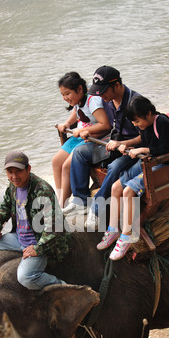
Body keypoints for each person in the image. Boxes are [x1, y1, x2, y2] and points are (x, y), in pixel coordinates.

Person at [97, 95, 169, 261]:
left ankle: (127, 235)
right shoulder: (146, 124)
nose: (136, 125)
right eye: (134, 123)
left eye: (137, 122)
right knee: (115, 188)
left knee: (128, 192)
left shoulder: (162, 123)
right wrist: (128, 145)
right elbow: (143, 139)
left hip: (162, 163)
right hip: (147, 161)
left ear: (148, 114)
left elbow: (166, 150)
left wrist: (143, 150)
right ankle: (113, 229)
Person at [63, 66, 141, 229]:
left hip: (133, 148)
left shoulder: (135, 103)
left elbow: (146, 137)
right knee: (79, 152)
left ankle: (97, 208)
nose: (101, 95)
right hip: (115, 143)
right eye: (98, 91)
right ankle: (80, 200)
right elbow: (106, 126)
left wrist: (123, 144)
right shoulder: (110, 101)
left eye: (104, 91)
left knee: (115, 166)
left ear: (117, 86)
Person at [0, 150, 71, 290]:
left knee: (26, 277)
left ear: (28, 169)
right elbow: (5, 206)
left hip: (38, 242)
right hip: (19, 237)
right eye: (10, 172)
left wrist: (38, 248)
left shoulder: (42, 190)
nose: (14, 176)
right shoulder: (13, 186)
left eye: (18, 171)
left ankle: (63, 287)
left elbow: (55, 226)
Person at [53, 72, 111, 208]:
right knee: (56, 162)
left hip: (92, 138)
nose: (65, 98)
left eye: (67, 93)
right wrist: (67, 124)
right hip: (78, 136)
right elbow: (76, 111)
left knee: (67, 165)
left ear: (79, 89)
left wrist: (85, 131)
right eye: (62, 94)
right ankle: (59, 198)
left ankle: (63, 204)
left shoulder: (92, 100)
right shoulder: (78, 100)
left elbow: (105, 124)